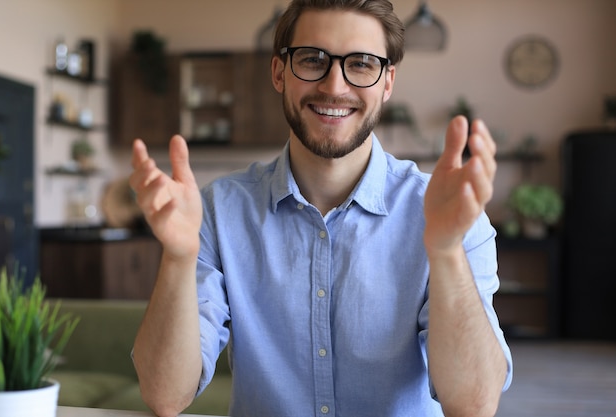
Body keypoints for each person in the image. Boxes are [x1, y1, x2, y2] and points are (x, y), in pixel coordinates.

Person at [130, 0, 513, 416]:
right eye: (312, 59)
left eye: (362, 64)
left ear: (387, 82)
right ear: (279, 73)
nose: (334, 86)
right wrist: (178, 258)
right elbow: (166, 396)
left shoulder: (448, 212)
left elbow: (474, 404)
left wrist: (446, 252)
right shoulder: (218, 212)